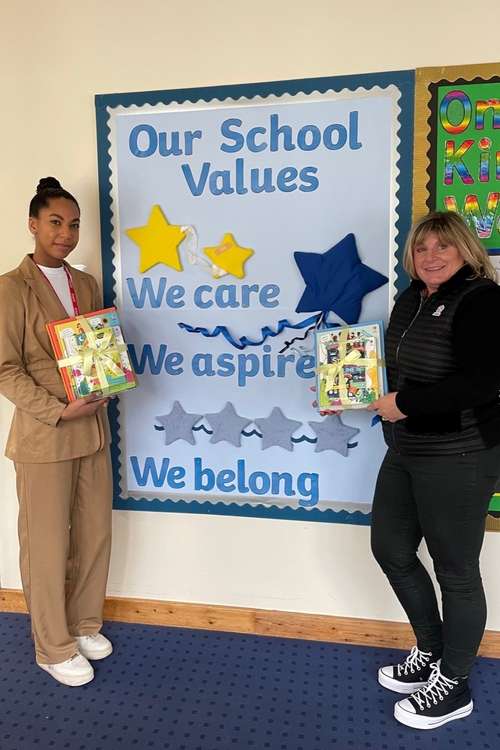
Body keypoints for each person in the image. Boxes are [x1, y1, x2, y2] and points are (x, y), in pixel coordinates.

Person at [367, 210, 500, 729]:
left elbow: (484, 384)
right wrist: (351, 387)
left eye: (444, 247)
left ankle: (455, 682)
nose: (432, 256)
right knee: (391, 549)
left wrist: (408, 405)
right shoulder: (410, 298)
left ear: (466, 249)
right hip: (406, 447)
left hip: (460, 454)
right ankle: (431, 651)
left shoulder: (483, 301)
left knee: (456, 570)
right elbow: (394, 370)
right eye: (422, 248)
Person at [0, 177, 113, 687]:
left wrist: (110, 379)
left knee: (93, 534)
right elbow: (5, 369)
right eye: (55, 223)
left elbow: (97, 350)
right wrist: (57, 409)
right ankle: (52, 644)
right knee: (46, 544)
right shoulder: (8, 289)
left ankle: (84, 622)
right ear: (32, 224)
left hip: (92, 429)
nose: (65, 233)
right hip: (46, 433)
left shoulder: (86, 284)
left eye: (73, 225)